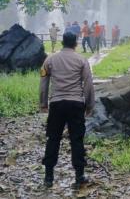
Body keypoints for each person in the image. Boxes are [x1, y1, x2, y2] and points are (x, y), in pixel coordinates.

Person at [39, 32, 95, 189]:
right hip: (76, 104)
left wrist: (43, 103)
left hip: (57, 104)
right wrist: (89, 105)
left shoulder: (50, 59)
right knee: (76, 139)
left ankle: (49, 177)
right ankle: (79, 176)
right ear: (76, 43)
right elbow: (88, 84)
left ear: (62, 42)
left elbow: (43, 82)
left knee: (53, 138)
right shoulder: (81, 60)